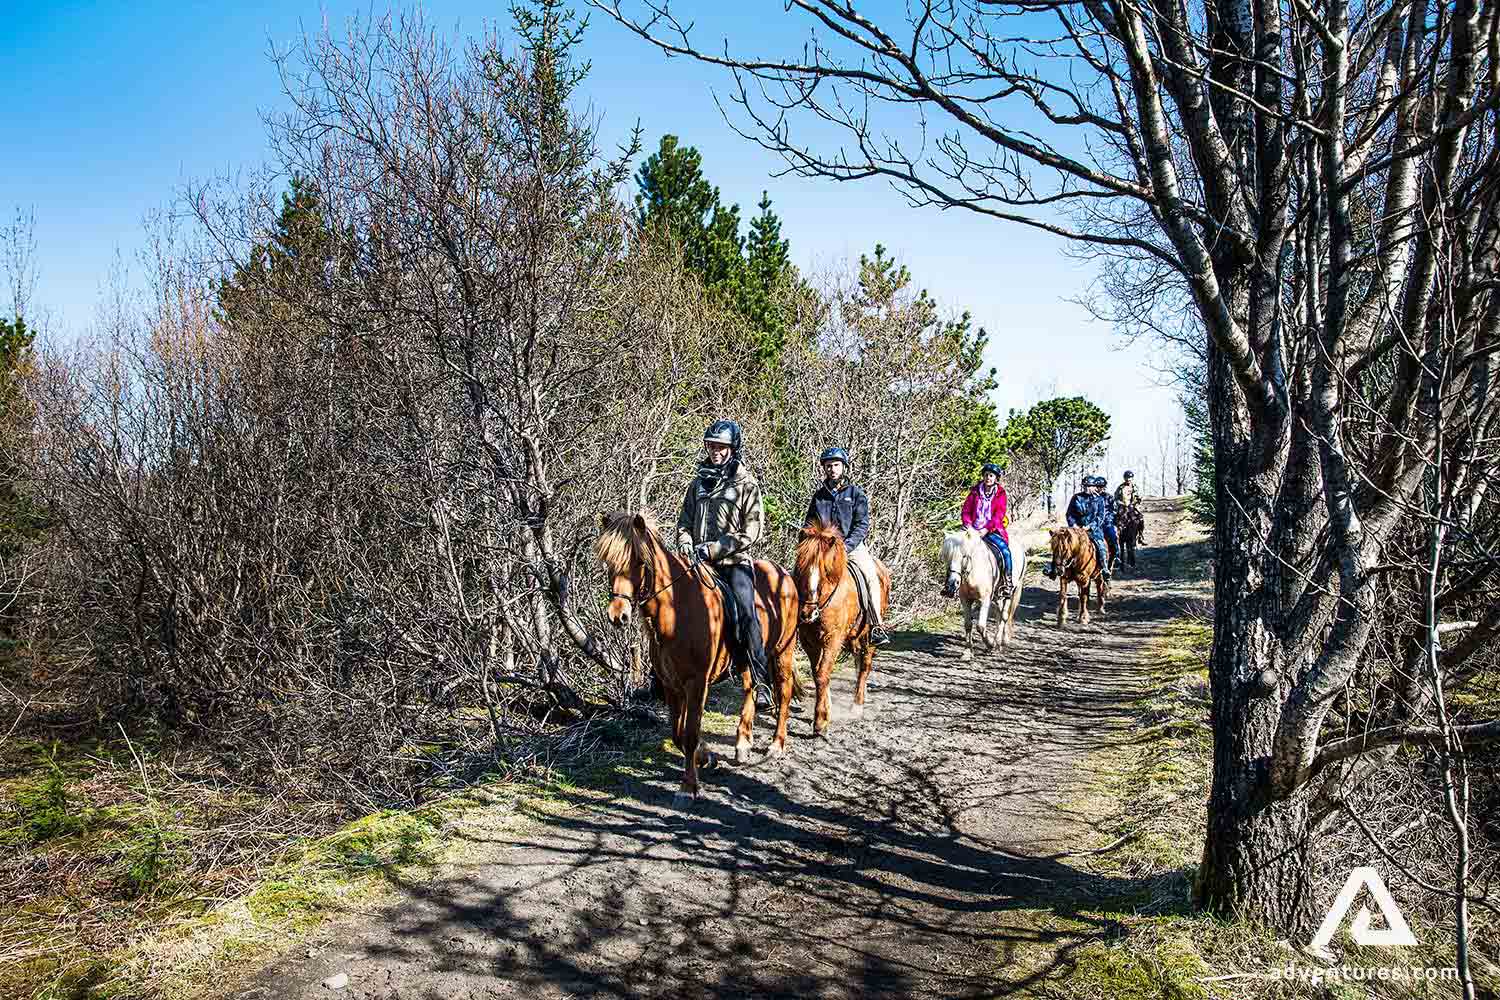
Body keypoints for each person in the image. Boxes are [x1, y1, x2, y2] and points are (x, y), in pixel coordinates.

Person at [676, 419, 774, 709]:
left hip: (733, 562)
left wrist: (715, 549)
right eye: (712, 446)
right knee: (669, 606)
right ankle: (663, 675)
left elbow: (752, 531)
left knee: (746, 612)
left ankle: (760, 680)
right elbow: (684, 522)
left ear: (733, 448)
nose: (716, 451)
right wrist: (684, 542)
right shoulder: (697, 484)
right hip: (697, 561)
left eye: (721, 446)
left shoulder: (747, 484)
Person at [804, 447, 890, 646]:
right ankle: (798, 619)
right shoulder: (818, 497)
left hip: (852, 548)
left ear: (844, 467)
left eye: (836, 465)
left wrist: (846, 546)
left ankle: (876, 624)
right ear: (824, 469)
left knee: (870, 575)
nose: (832, 469)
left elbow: (862, 525)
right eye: (828, 466)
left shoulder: (856, 494)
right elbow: (809, 523)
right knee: (801, 573)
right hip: (823, 550)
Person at [960, 462, 1012, 600]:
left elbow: (999, 515)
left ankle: (1007, 583)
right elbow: (966, 511)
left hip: (992, 530)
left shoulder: (1001, 493)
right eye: (986, 475)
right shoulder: (974, 492)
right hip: (972, 530)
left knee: (1005, 552)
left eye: (991, 475)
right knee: (955, 550)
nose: (988, 478)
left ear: (996, 478)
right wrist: (969, 526)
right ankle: (952, 584)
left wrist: (986, 529)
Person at [1056, 474, 1110, 580]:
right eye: (1085, 485)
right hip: (1076, 530)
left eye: (1089, 485)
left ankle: (1104, 568)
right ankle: (1054, 568)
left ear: (1094, 487)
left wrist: (1090, 526)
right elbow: (1069, 514)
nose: (1086, 487)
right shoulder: (1076, 497)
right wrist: (1074, 525)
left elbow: (1100, 516)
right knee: (1061, 544)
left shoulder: (1099, 500)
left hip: (1093, 531)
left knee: (1101, 546)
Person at [1114, 470, 1146, 543]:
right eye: (1127, 477)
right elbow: (1116, 498)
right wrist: (1120, 503)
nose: (1128, 479)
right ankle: (1116, 536)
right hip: (1122, 506)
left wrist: (1135, 503)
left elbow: (1139, 498)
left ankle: (1140, 536)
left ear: (1132, 478)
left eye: (1130, 478)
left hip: (1132, 506)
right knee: (1116, 519)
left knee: (1140, 519)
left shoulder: (1135, 487)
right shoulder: (1120, 487)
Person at [1096, 476, 1119, 573]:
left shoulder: (1109, 497)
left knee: (1113, 536)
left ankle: (1116, 556)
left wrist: (1107, 520)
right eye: (1097, 486)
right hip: (1094, 524)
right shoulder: (1091, 497)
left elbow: (1113, 511)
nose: (1099, 488)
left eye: (1101, 486)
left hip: (1106, 523)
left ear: (1104, 487)